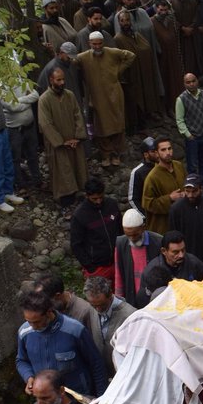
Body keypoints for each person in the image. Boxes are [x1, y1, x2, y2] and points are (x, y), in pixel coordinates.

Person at [16, 290, 107, 398]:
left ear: (49, 312)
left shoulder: (75, 330)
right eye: (28, 321)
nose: (32, 326)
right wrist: (29, 377)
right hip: (46, 399)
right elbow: (21, 360)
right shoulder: (24, 332)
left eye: (36, 322)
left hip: (78, 398)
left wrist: (101, 398)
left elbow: (96, 364)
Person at [74, 32, 135, 166]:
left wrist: (118, 71)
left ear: (103, 43)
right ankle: (106, 154)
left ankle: (117, 153)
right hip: (96, 96)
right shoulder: (84, 57)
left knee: (117, 124)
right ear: (89, 44)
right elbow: (72, 60)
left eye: (99, 43)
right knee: (101, 126)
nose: (97, 46)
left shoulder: (112, 52)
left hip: (114, 94)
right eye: (94, 44)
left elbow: (130, 56)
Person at [37, 67, 89, 213]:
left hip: (74, 140)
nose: (62, 82)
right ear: (51, 80)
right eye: (58, 80)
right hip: (58, 144)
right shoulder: (44, 99)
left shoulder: (70, 95)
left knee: (77, 166)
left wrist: (77, 136)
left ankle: (79, 192)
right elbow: (45, 123)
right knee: (62, 169)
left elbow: (77, 114)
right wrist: (61, 142)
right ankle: (65, 198)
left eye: (63, 79)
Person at [70, 178, 123, 279]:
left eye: (101, 197)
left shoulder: (112, 205)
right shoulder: (80, 215)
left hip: (117, 261)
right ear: (87, 196)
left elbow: (120, 229)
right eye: (94, 199)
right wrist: (89, 266)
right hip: (97, 268)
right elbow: (76, 245)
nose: (99, 201)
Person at [170, 175, 203, 262]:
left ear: (201, 189)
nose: (190, 195)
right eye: (187, 191)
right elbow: (174, 234)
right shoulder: (176, 209)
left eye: (194, 191)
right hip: (189, 258)